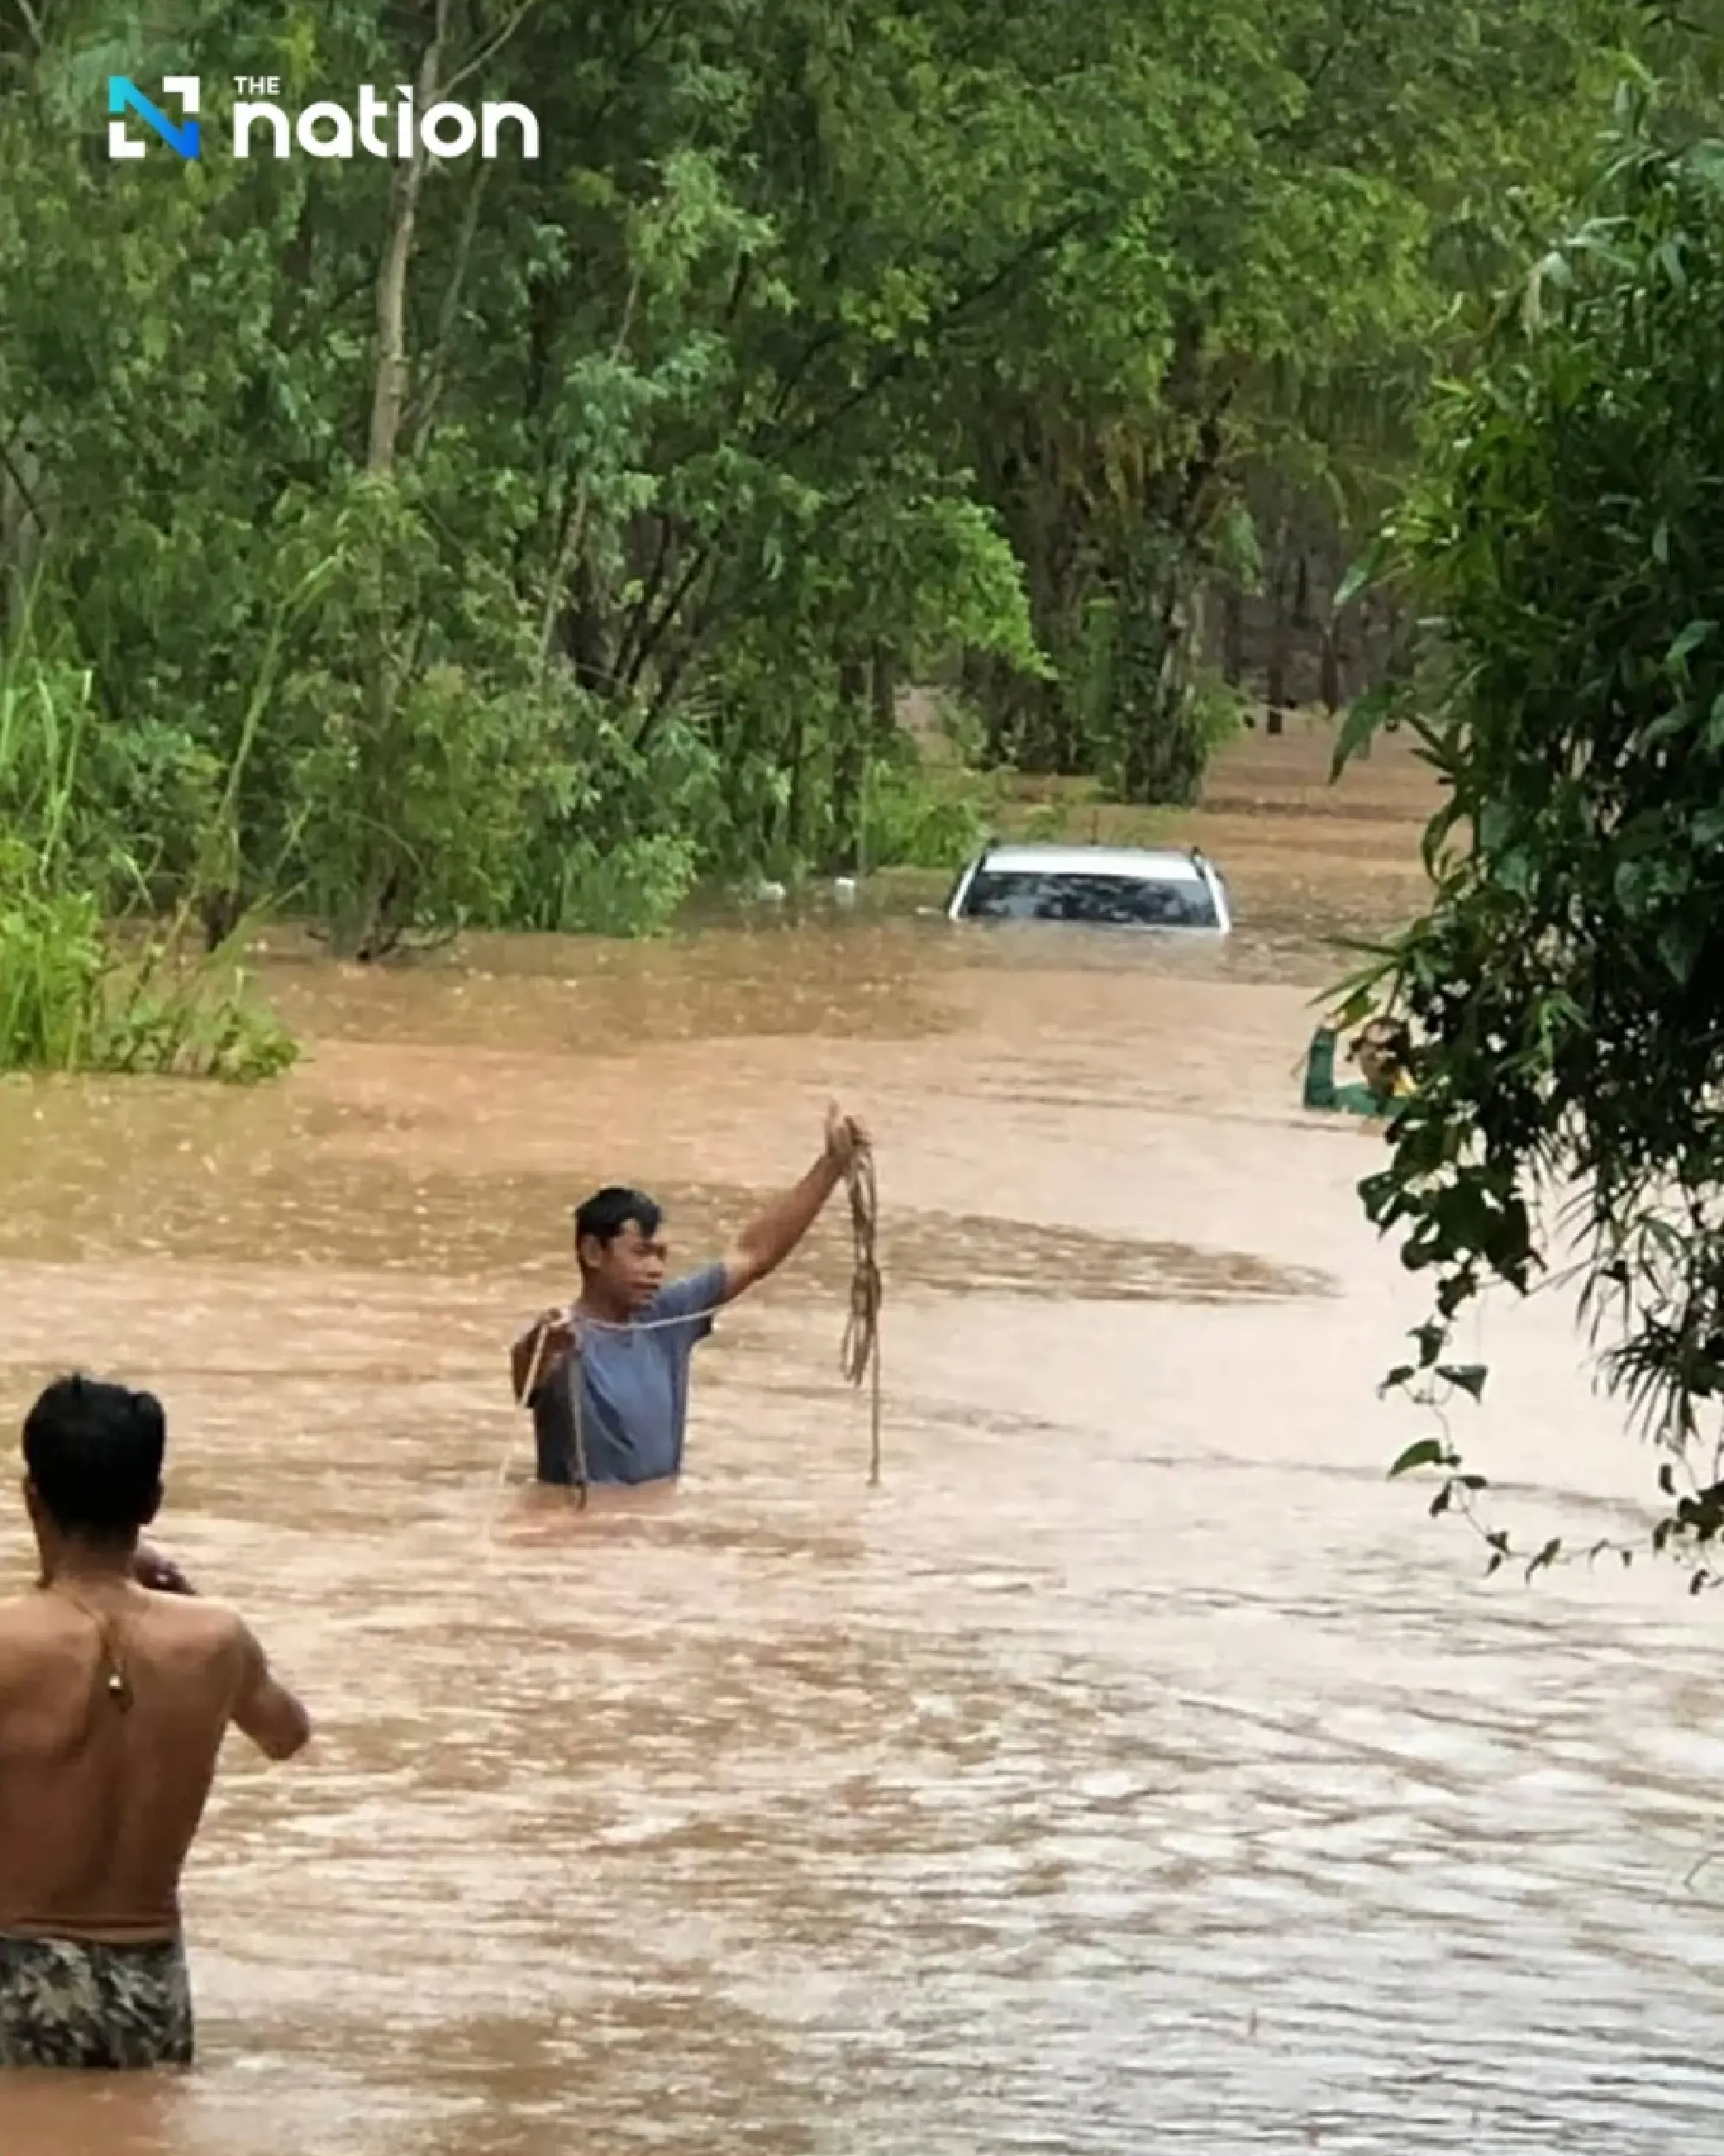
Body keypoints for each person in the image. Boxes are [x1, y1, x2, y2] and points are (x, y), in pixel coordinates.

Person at [0, 1375, 311, 2072]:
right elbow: (287, 1734)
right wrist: (187, 1598)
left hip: (16, 1972)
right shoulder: (216, 1638)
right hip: (151, 1982)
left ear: (31, 1498)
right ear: (152, 1502)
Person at [510, 1103, 870, 1487]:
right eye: (641, 1253)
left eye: (661, 1255)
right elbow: (526, 1373)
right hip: (582, 1521)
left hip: (656, 1517)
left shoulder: (668, 1318)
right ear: (593, 1253)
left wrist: (831, 1165)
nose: (655, 1269)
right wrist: (541, 1343)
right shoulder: (562, 1340)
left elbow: (753, 1255)